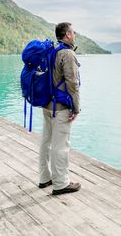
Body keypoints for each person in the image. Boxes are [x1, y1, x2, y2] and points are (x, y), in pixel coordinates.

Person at [38, 22, 81, 195]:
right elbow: (73, 84)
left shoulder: (52, 51)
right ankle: (61, 183)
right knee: (61, 145)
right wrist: (76, 108)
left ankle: (44, 178)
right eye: (73, 32)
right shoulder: (67, 54)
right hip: (61, 108)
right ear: (68, 35)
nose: (75, 34)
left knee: (46, 142)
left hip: (47, 105)